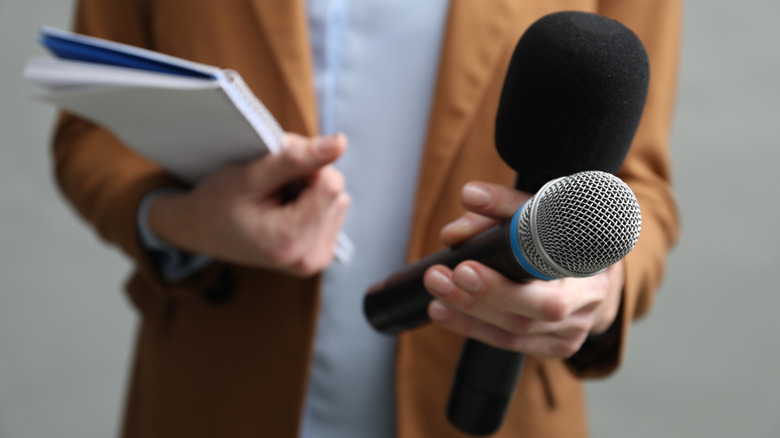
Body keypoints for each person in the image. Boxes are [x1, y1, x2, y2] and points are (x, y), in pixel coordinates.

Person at [52, 0, 681, 437]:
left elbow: (641, 183)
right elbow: (88, 133)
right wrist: (184, 220)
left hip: (498, 408)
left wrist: (599, 287)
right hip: (221, 391)